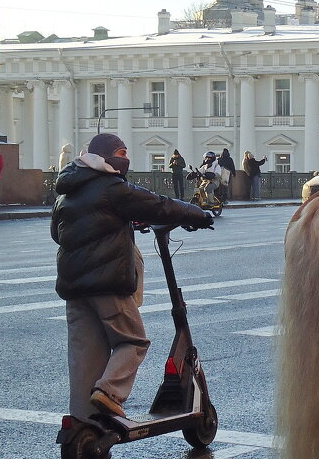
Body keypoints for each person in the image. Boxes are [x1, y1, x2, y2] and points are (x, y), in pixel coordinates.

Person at [50, 132, 213, 420]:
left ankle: (84, 424)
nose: (126, 159)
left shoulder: (67, 190)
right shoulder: (111, 187)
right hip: (107, 283)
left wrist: (116, 223)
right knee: (133, 341)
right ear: (105, 156)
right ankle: (110, 391)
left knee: (85, 357)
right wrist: (198, 214)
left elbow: (57, 233)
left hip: (73, 287)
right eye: (122, 153)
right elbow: (158, 204)